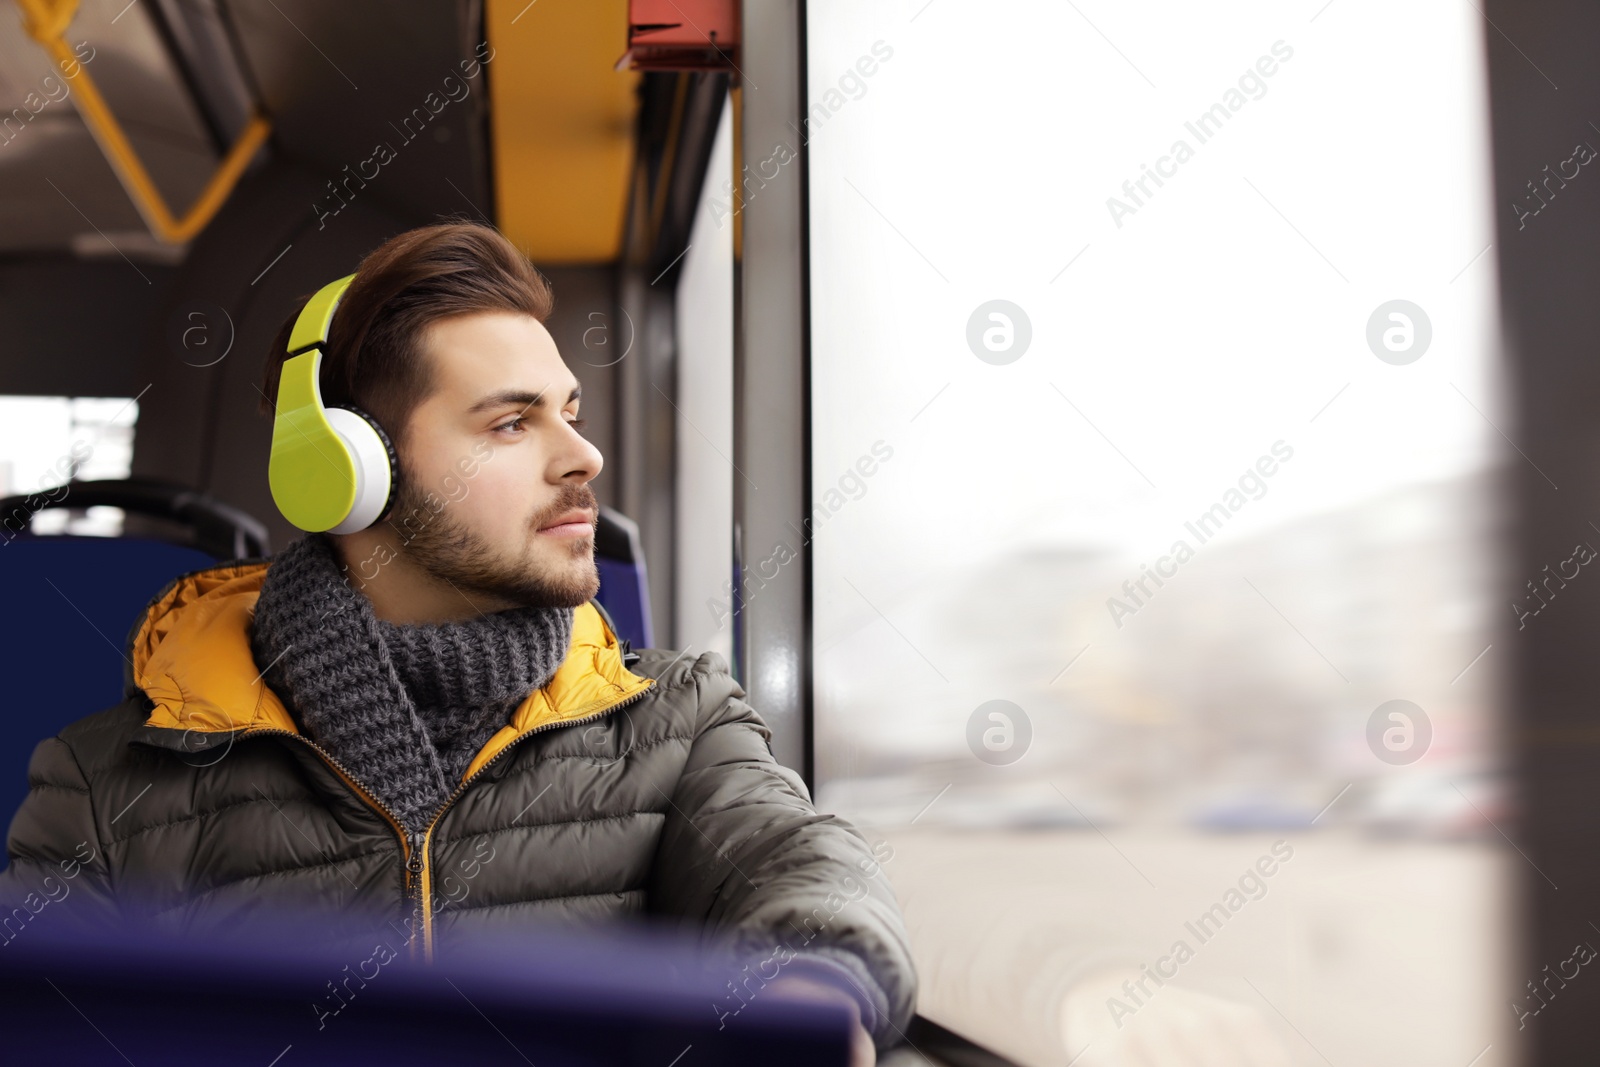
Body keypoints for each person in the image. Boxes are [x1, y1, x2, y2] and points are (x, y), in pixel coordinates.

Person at [0, 222, 914, 1065]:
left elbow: (798, 862)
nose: (582, 457)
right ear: (350, 472)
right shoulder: (104, 785)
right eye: (512, 422)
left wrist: (813, 981)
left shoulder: (675, 723)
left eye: (571, 411)